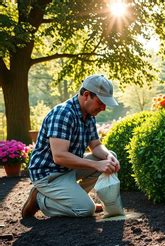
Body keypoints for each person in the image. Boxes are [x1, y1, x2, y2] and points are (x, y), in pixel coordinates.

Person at [22, 74, 121, 218]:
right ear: (87, 95)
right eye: (101, 102)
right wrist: (96, 165)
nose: (104, 108)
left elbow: (96, 145)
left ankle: (77, 199)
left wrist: (108, 156)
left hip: (68, 169)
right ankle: (39, 199)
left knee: (109, 157)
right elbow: (59, 156)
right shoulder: (63, 114)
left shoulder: (89, 115)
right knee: (85, 210)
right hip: (48, 174)